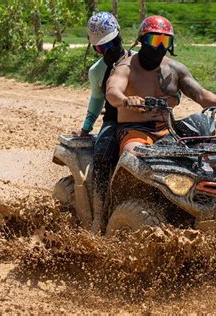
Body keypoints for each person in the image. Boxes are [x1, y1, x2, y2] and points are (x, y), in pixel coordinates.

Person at [105, 16, 216, 155]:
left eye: (165, 41)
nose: (160, 46)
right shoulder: (125, 67)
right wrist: (125, 100)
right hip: (134, 131)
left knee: (204, 141)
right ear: (142, 40)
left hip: (168, 130)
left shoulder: (176, 69)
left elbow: (200, 94)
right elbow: (112, 92)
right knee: (134, 153)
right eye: (155, 40)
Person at [78, 12, 132, 234]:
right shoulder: (97, 71)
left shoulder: (138, 59)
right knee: (101, 154)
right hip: (115, 121)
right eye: (101, 48)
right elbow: (95, 101)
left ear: (119, 36)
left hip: (147, 118)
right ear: (95, 49)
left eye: (111, 43)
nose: (108, 51)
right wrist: (86, 128)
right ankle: (99, 215)